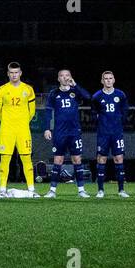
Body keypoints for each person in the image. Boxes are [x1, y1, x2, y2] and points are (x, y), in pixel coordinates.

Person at [44, 69, 93, 198]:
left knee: (77, 159)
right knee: (58, 160)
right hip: (60, 131)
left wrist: (75, 85)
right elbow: (48, 112)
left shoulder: (75, 92)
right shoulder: (54, 93)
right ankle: (52, 190)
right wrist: (47, 128)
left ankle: (81, 190)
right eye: (62, 75)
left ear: (70, 77)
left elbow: (88, 97)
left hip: (74, 131)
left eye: (67, 75)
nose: (64, 77)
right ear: (58, 79)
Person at [0, 62, 39, 198]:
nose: (14, 75)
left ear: (20, 73)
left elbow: (32, 112)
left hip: (23, 129)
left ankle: (32, 190)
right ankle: (2, 190)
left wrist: (22, 122)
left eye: (16, 72)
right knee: (5, 159)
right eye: (11, 73)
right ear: (8, 74)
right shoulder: (1, 90)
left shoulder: (28, 89)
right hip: (6, 129)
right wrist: (9, 122)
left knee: (26, 158)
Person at [91, 71, 129, 198]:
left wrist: (117, 124)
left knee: (119, 159)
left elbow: (125, 112)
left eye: (110, 78)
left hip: (117, 133)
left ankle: (121, 190)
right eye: (105, 79)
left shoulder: (120, 95)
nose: (108, 80)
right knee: (101, 159)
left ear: (114, 80)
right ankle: (100, 190)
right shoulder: (97, 96)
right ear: (102, 81)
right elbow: (94, 114)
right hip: (103, 133)